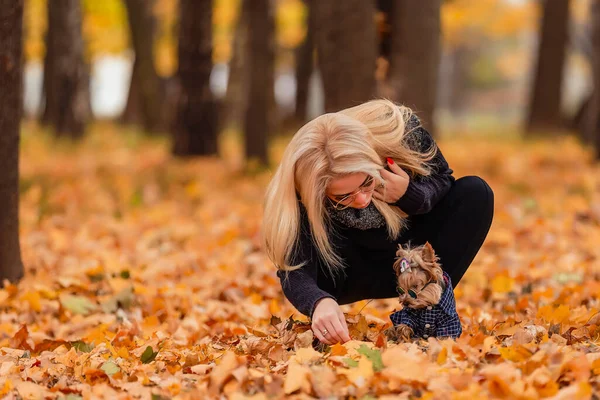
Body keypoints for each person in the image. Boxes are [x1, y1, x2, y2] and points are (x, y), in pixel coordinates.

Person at [262, 99, 494, 345]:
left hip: (409, 261)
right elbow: (294, 270)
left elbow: (444, 179)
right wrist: (318, 302)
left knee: (476, 192)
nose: (362, 200)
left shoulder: (400, 134)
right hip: (346, 269)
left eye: (366, 183)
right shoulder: (303, 187)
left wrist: (409, 195)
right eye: (342, 197)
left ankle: (428, 308)